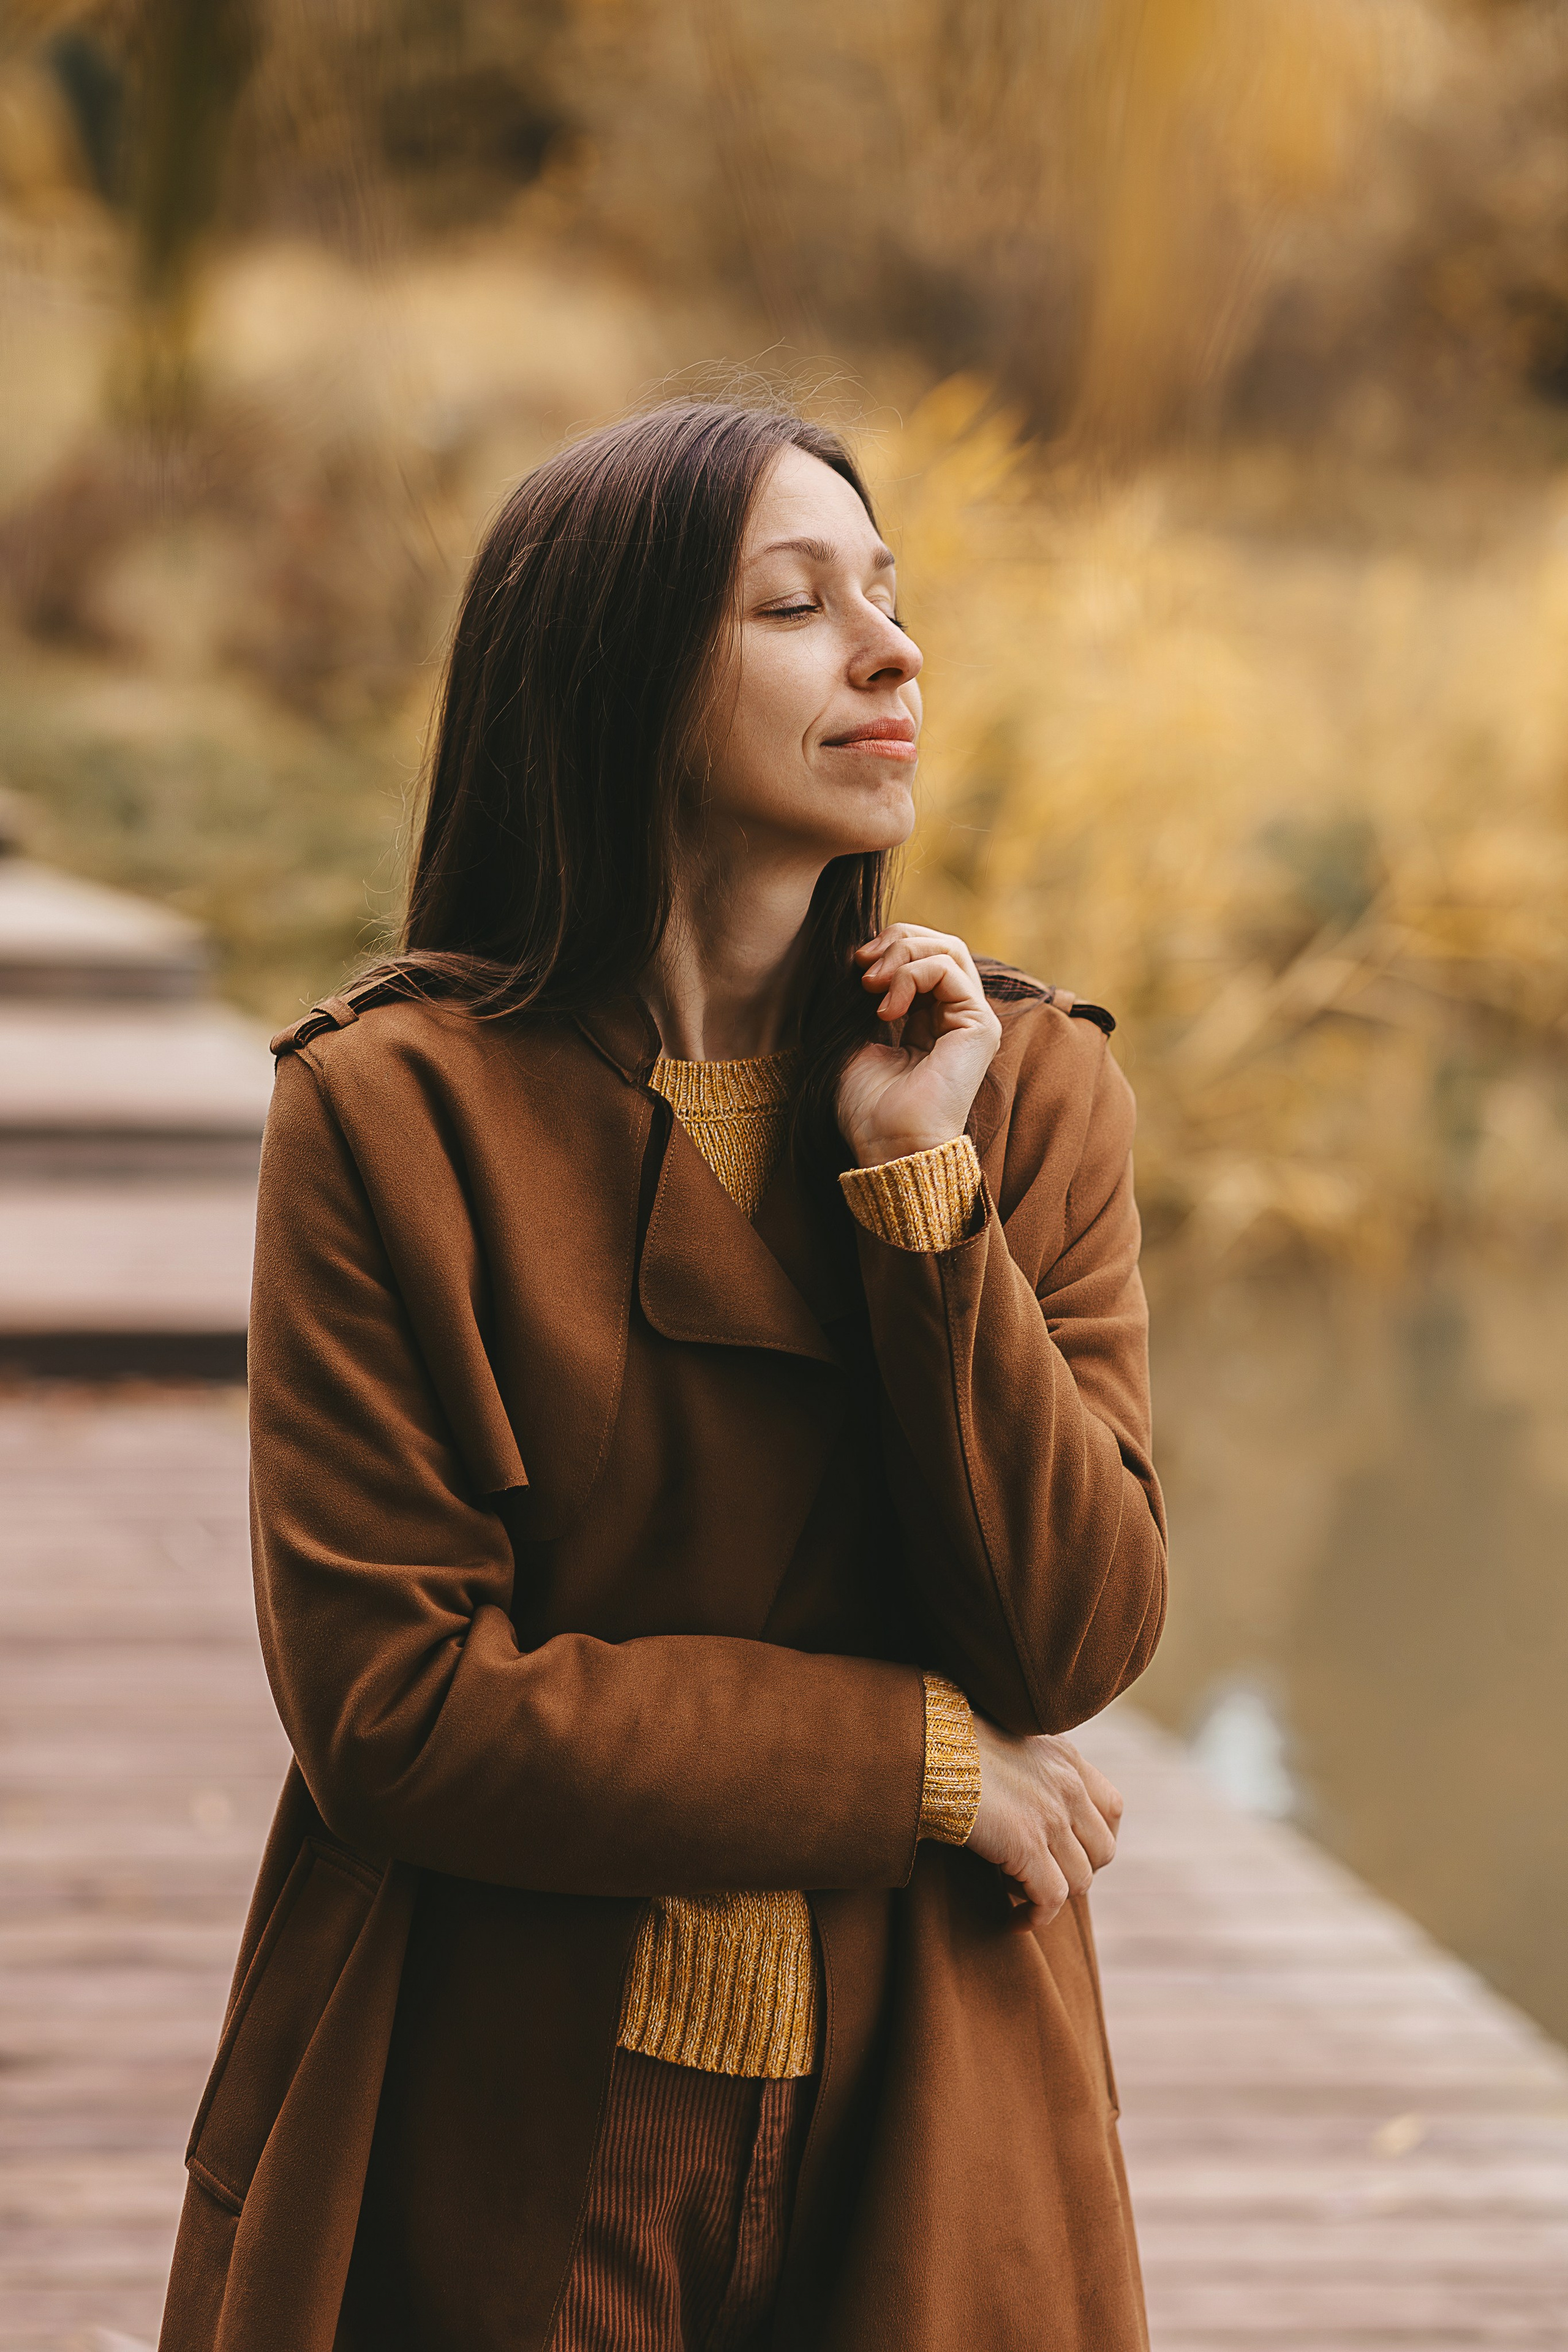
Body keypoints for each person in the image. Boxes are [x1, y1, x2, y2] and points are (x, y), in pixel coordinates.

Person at [159, 400, 1166, 2352]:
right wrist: (925, 1768)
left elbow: (1075, 1642)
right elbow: (402, 1711)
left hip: (936, 2104)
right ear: (610, 682)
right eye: (795, 606)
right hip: (493, 2106)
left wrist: (917, 1194)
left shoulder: (1020, 1094)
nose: (892, 651)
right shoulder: (390, 1117)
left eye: (889, 594)